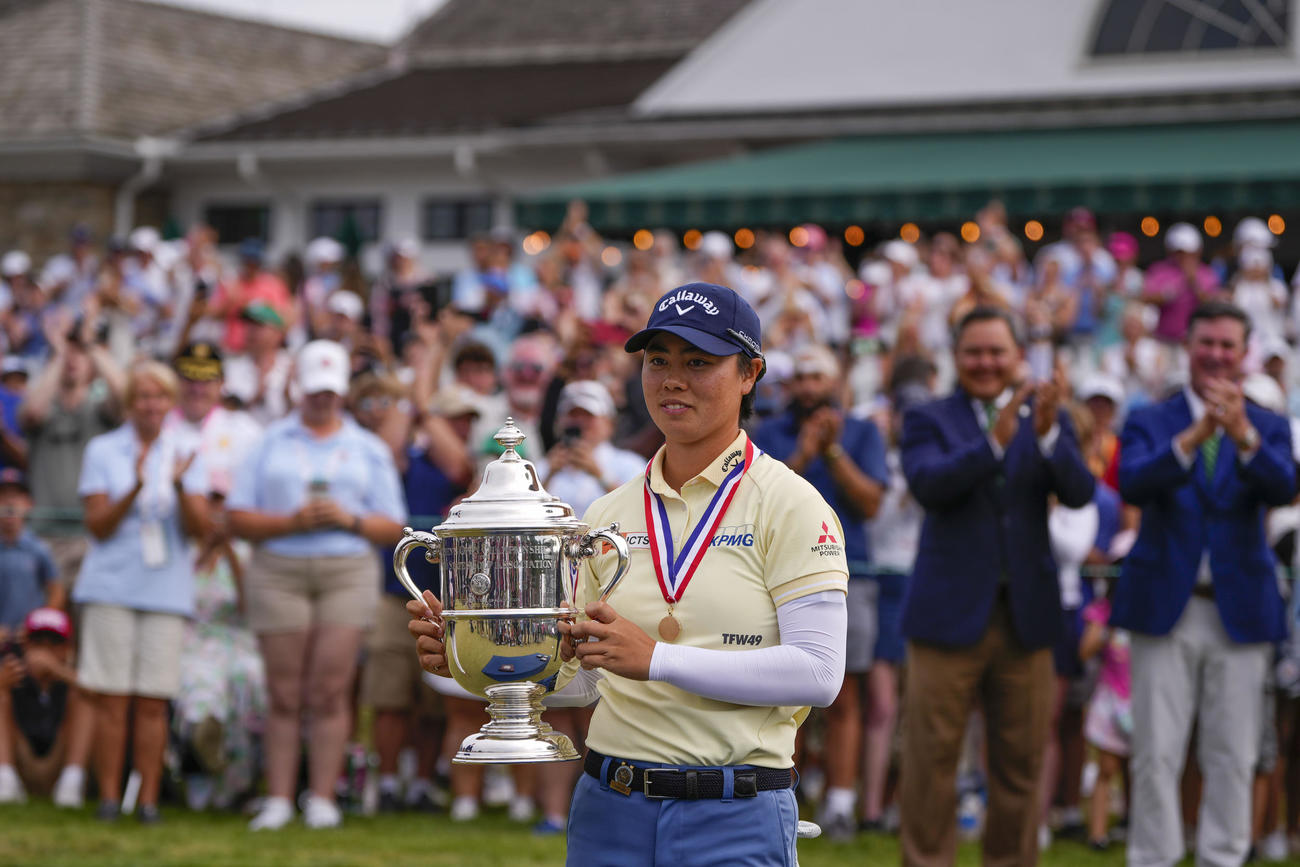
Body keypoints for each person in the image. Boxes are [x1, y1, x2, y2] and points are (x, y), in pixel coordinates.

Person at [410, 281, 851, 864]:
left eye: (698, 362)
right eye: (657, 361)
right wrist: (482, 658)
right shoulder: (607, 512)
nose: (673, 379)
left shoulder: (791, 504)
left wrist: (657, 659)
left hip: (735, 809)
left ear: (750, 373)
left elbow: (819, 673)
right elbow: (587, 679)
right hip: (611, 806)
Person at [898, 306, 1096, 866]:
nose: (985, 363)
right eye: (974, 352)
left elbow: (1080, 492)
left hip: (1026, 616)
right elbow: (928, 485)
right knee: (930, 763)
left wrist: (1050, 432)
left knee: (1021, 766)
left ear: (1017, 357)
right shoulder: (928, 416)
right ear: (955, 357)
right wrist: (996, 442)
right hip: (945, 615)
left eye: (996, 352)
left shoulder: (1047, 415)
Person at [1112, 301, 1295, 867]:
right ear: (1187, 347)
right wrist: (1193, 438)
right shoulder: (1151, 418)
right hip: (1164, 605)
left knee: (1234, 754)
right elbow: (1132, 483)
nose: (1216, 355)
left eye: (1227, 345)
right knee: (1156, 752)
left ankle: (1223, 858)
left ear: (1244, 354)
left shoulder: (1268, 425)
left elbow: (1284, 486)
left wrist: (1243, 437)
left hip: (1239, 608)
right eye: (1206, 343)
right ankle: (1154, 858)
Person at [227, 340, 406, 831]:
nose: (322, 399)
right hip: (279, 567)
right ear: (298, 389)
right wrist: (291, 522)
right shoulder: (268, 441)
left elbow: (393, 524)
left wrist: (348, 520)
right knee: (284, 692)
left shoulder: (367, 448)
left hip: (346, 569)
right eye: (314, 391)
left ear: (342, 391)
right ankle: (279, 798)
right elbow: (237, 515)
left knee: (329, 689)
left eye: (329, 391)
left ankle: (322, 796)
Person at [753, 342, 888, 839]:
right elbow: (753, 498)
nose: (809, 387)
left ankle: (840, 803)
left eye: (818, 377)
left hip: (850, 576)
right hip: (774, 576)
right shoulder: (768, 432)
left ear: (834, 383)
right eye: (802, 377)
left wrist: (832, 452)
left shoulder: (863, 432)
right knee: (783, 694)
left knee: (844, 693)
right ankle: (782, 796)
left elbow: (871, 503)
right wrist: (805, 454)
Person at [73, 360, 210, 823]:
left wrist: (179, 485)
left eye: (160, 396)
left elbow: (201, 530)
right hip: (111, 584)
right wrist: (134, 486)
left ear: (171, 402)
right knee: (111, 697)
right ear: (130, 403)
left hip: (166, 587)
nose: (152, 405)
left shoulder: (186, 449)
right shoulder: (103, 449)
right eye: (143, 396)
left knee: (154, 699)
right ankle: (110, 798)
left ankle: (148, 800)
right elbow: (97, 525)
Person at [0, 607, 82, 804]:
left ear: (67, 647)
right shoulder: (12, 671)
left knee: (84, 697)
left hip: (58, 761)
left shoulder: (71, 676)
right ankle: (5, 778)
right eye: (38, 642)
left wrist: (57, 671)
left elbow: (97, 693)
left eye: (54, 643)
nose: (45, 651)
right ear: (25, 644)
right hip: (21, 760)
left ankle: (72, 781)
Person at [0, 469, 62, 631]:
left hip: (27, 637)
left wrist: (37, 626)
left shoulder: (38, 548)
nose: (9, 502)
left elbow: (56, 589)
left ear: (29, 503)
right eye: (3, 495)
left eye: (16, 496)